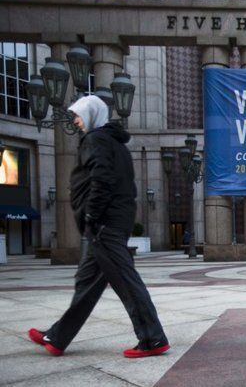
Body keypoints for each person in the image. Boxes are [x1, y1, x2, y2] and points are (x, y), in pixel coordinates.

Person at [28, 95, 170, 358]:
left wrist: (92, 214)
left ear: (92, 114)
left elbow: (102, 178)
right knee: (86, 283)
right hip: (112, 222)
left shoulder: (97, 140)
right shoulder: (114, 143)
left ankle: (153, 339)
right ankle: (57, 337)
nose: (77, 121)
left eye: (79, 115)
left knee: (126, 281)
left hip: (104, 224)